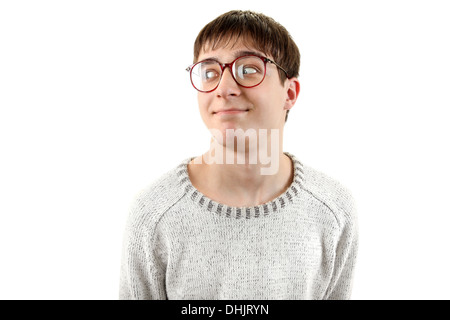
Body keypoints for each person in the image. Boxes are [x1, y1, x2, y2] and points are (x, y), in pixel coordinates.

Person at [119, 10, 358, 300]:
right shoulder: (154, 213)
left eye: (248, 69)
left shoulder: (333, 211)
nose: (224, 88)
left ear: (290, 92)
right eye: (210, 72)